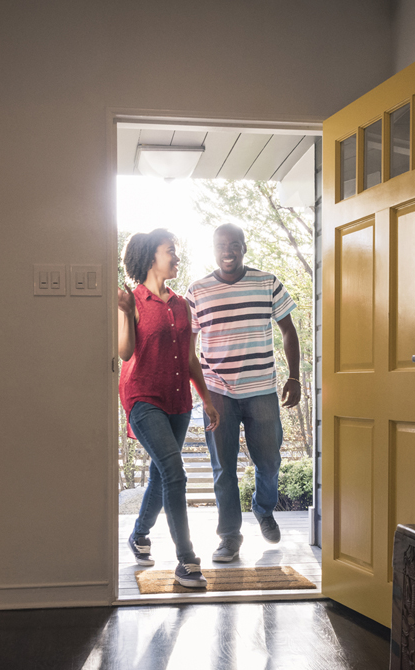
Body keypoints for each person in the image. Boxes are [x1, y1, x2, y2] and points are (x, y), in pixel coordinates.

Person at [186, 223, 301, 563]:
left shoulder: (267, 282)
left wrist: (294, 377)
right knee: (223, 469)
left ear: (244, 248)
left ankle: (263, 509)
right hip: (218, 392)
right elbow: (188, 350)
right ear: (213, 249)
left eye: (235, 244)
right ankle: (229, 537)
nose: (228, 251)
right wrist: (200, 393)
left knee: (269, 460)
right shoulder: (198, 291)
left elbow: (288, 331)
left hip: (262, 390)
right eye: (222, 245)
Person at [118, 228, 219, 588]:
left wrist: (206, 399)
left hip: (178, 399)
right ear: (150, 258)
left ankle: (139, 534)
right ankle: (187, 560)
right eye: (169, 251)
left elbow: (190, 359)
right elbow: (126, 352)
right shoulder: (131, 299)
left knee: (163, 474)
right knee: (175, 473)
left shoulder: (181, 304)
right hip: (143, 397)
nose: (176, 257)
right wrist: (126, 313)